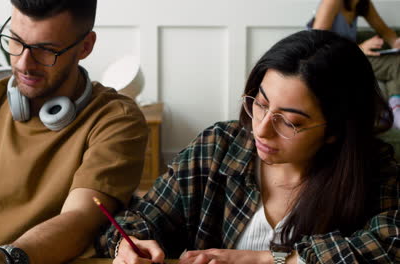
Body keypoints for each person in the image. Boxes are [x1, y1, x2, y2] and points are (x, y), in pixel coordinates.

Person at [95, 30, 399, 264]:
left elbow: (390, 243)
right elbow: (141, 218)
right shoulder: (220, 147)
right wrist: (129, 244)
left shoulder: (375, 169)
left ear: (336, 130)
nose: (262, 129)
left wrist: (269, 259)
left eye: (289, 121)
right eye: (261, 104)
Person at [0, 0, 148, 263]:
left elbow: (80, 221)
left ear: (85, 46)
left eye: (46, 50)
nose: (24, 63)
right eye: (15, 40)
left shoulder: (117, 120)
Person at [308, 0, 400, 129]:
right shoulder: (332, 2)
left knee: (396, 63)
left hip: (350, 56)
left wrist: (395, 42)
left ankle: (395, 109)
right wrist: (360, 48)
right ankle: (394, 111)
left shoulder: (363, 3)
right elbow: (316, 43)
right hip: (329, 59)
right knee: (394, 65)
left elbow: (385, 31)